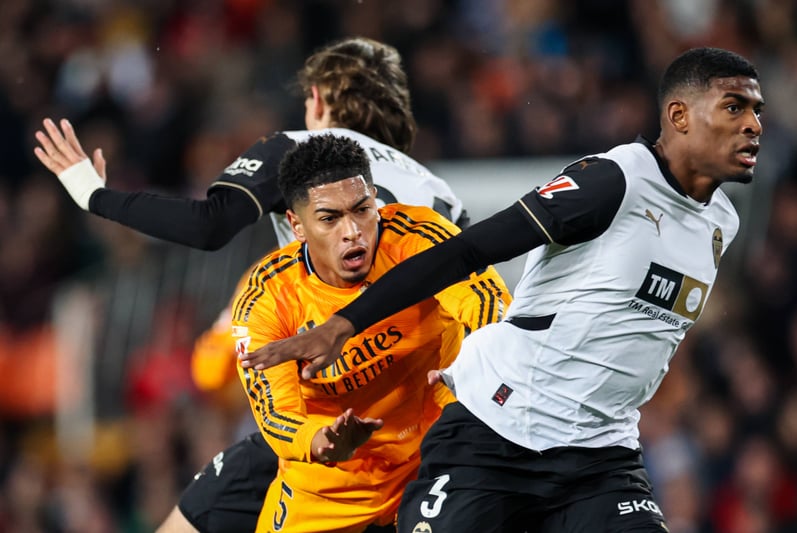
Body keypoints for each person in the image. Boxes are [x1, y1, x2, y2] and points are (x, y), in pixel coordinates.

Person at [240, 47, 764, 532]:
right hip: (497, 434)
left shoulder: (723, 221)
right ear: (679, 115)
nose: (753, 125)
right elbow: (465, 252)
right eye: (734, 107)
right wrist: (344, 324)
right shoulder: (614, 180)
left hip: (601, 455)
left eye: (756, 111)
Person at [33, 37, 471, 533]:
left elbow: (209, 225)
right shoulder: (439, 193)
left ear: (318, 99)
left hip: (329, 414)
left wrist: (95, 195)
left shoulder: (299, 154)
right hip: (419, 425)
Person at [230, 132, 510, 532]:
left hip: (436, 454)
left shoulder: (418, 236)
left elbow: (488, 305)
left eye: (362, 210)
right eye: (329, 218)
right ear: (297, 226)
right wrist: (323, 440)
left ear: (375, 200)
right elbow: (275, 414)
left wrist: (476, 373)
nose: (352, 231)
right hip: (329, 485)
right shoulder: (266, 298)